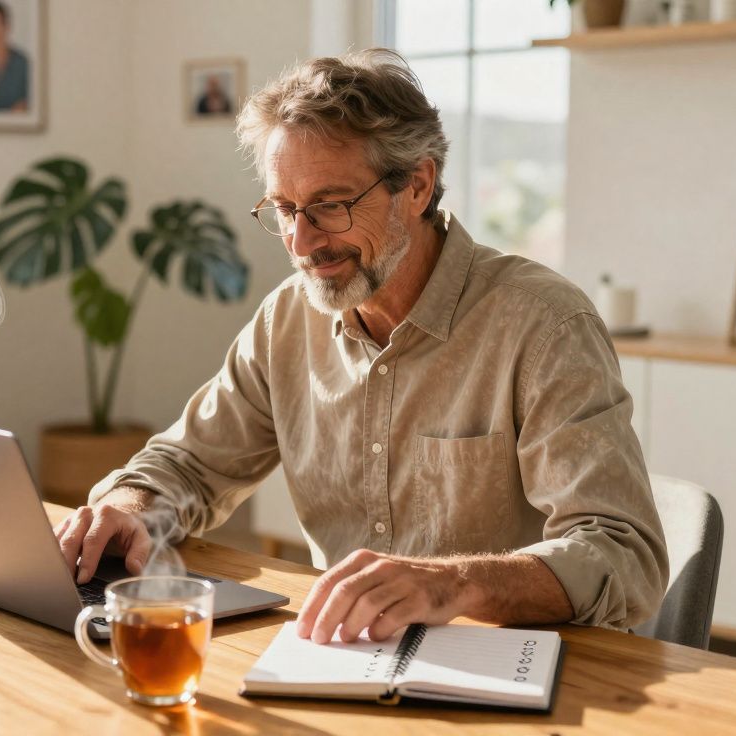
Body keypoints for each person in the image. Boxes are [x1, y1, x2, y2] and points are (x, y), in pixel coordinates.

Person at [56, 49, 668, 643]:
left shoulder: (543, 325)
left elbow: (622, 554)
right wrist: (129, 504)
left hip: (514, 665)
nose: (302, 243)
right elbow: (188, 464)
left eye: (330, 206)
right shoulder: (286, 321)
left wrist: (452, 583)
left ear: (418, 186)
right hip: (339, 653)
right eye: (285, 209)